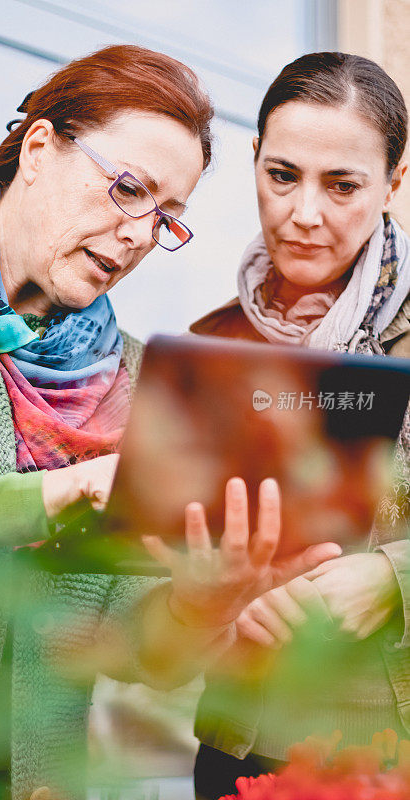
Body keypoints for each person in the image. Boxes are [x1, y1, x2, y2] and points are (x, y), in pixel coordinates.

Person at [0, 45, 341, 800]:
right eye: (129, 189)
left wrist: (202, 600)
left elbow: (132, 650)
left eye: (165, 217)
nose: (137, 234)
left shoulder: (130, 380)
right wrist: (54, 496)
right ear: (38, 149)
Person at [190, 51, 410, 800]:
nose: (303, 213)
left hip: (378, 755)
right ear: (253, 160)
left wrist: (391, 579)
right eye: (281, 175)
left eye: (342, 184)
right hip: (233, 746)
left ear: (394, 182)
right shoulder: (212, 344)